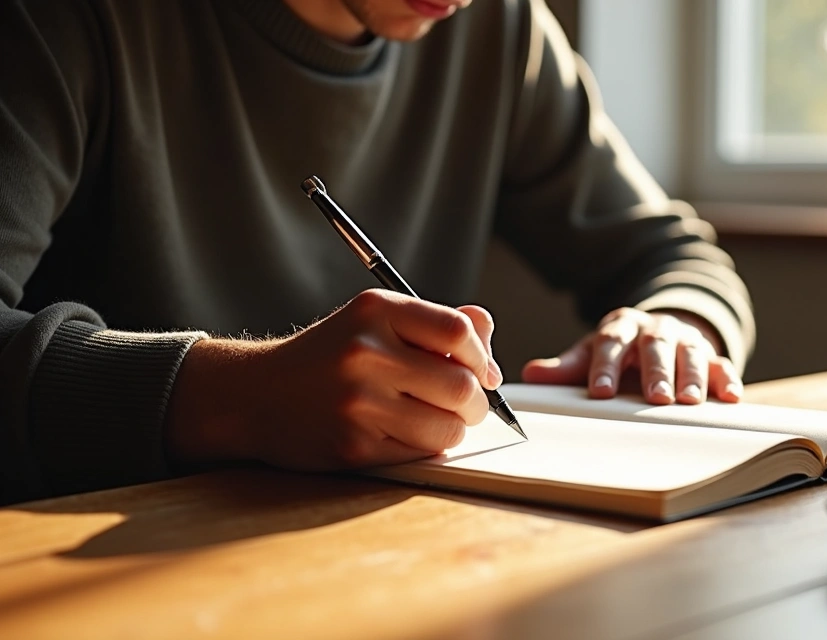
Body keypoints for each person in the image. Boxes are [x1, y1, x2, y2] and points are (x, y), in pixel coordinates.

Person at [0, 0, 755, 505]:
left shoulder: (500, 27)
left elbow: (675, 258)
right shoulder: (62, 20)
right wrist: (239, 398)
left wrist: (677, 325)